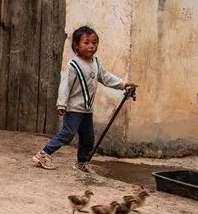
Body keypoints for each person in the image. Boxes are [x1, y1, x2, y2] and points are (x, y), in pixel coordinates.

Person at [31, 26, 137, 173]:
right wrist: (61, 104)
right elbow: (65, 85)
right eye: (86, 43)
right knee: (67, 134)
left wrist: (123, 85)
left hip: (87, 110)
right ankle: (44, 154)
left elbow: (106, 78)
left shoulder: (96, 63)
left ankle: (82, 162)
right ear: (76, 45)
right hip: (74, 108)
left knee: (88, 137)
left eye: (94, 42)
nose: (91, 46)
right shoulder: (73, 65)